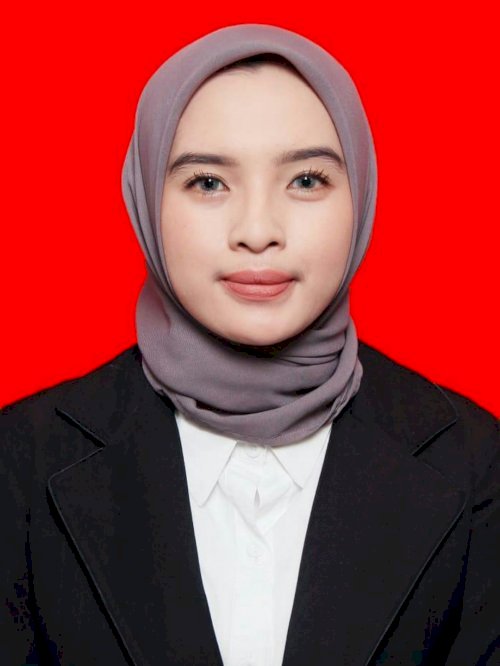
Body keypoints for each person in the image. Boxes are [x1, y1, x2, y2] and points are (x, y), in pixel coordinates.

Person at [0, 23, 498, 666]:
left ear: (362, 195)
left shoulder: (475, 462)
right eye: (208, 182)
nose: (258, 230)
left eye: (307, 180)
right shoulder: (21, 460)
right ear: (146, 198)